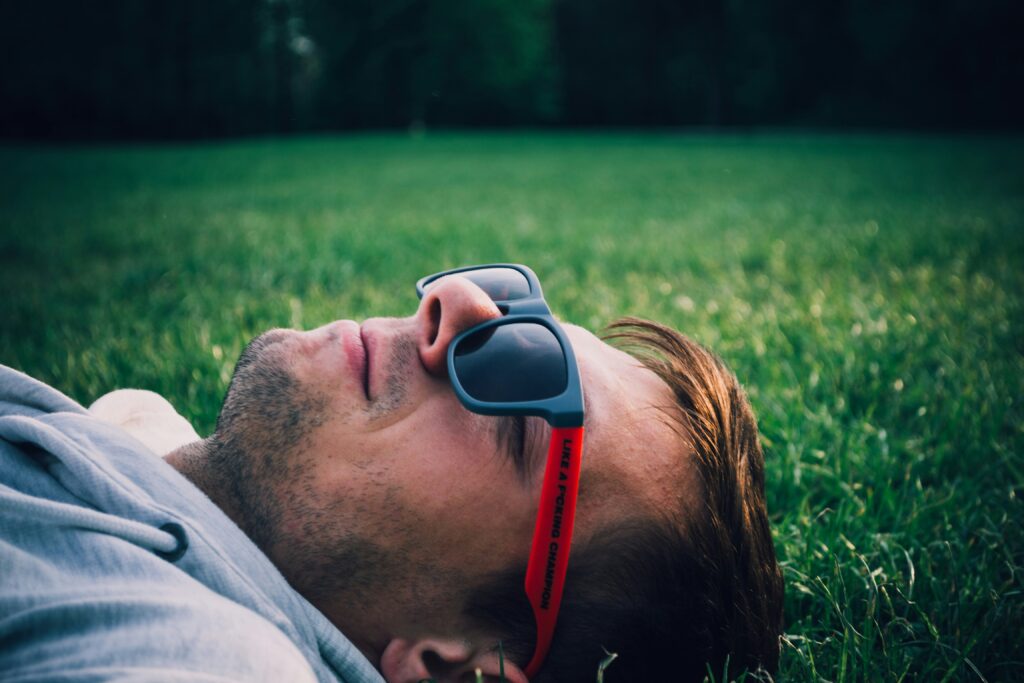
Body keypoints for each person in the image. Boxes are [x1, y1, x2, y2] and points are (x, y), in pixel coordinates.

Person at [0, 264, 783, 682]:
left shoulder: (201, 654)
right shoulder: (146, 449)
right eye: (514, 314)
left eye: (514, 402)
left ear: (456, 665)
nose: (450, 298)